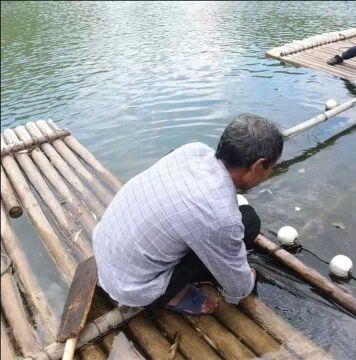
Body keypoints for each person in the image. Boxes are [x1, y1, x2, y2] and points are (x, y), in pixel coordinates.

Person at [93, 114, 284, 315]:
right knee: (250, 223)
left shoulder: (193, 151)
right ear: (257, 165)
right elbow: (238, 289)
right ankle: (174, 296)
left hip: (106, 252)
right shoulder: (219, 217)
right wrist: (252, 276)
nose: (267, 175)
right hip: (132, 289)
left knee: (239, 220)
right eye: (270, 169)